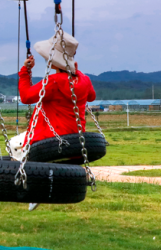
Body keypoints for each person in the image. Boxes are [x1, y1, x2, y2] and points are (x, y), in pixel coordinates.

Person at [8, 30, 96, 161]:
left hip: (50, 139)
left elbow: (26, 97)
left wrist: (25, 72)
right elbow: (91, 97)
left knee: (14, 145)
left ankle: (21, 177)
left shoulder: (53, 82)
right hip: (76, 139)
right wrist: (76, 71)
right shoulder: (84, 80)